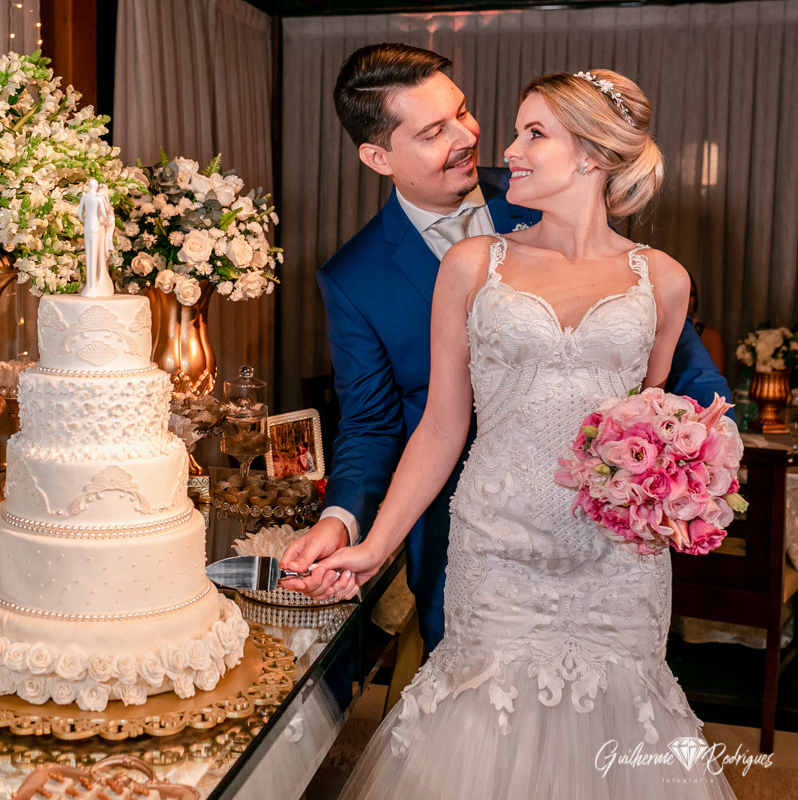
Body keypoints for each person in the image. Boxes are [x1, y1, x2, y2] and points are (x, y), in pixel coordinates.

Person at [293, 70, 739, 798]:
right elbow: (438, 423)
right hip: (496, 546)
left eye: (530, 132)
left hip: (615, 563)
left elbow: (664, 409)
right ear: (383, 155)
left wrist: (692, 471)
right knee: (479, 739)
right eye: (437, 130)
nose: (496, 146)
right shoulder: (471, 265)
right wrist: (371, 543)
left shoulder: (663, 279)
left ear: (591, 155)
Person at [689, 277, 727, 374]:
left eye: (691, 294)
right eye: (681, 294)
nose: (687, 300)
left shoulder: (711, 336)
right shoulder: (654, 333)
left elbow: (716, 381)